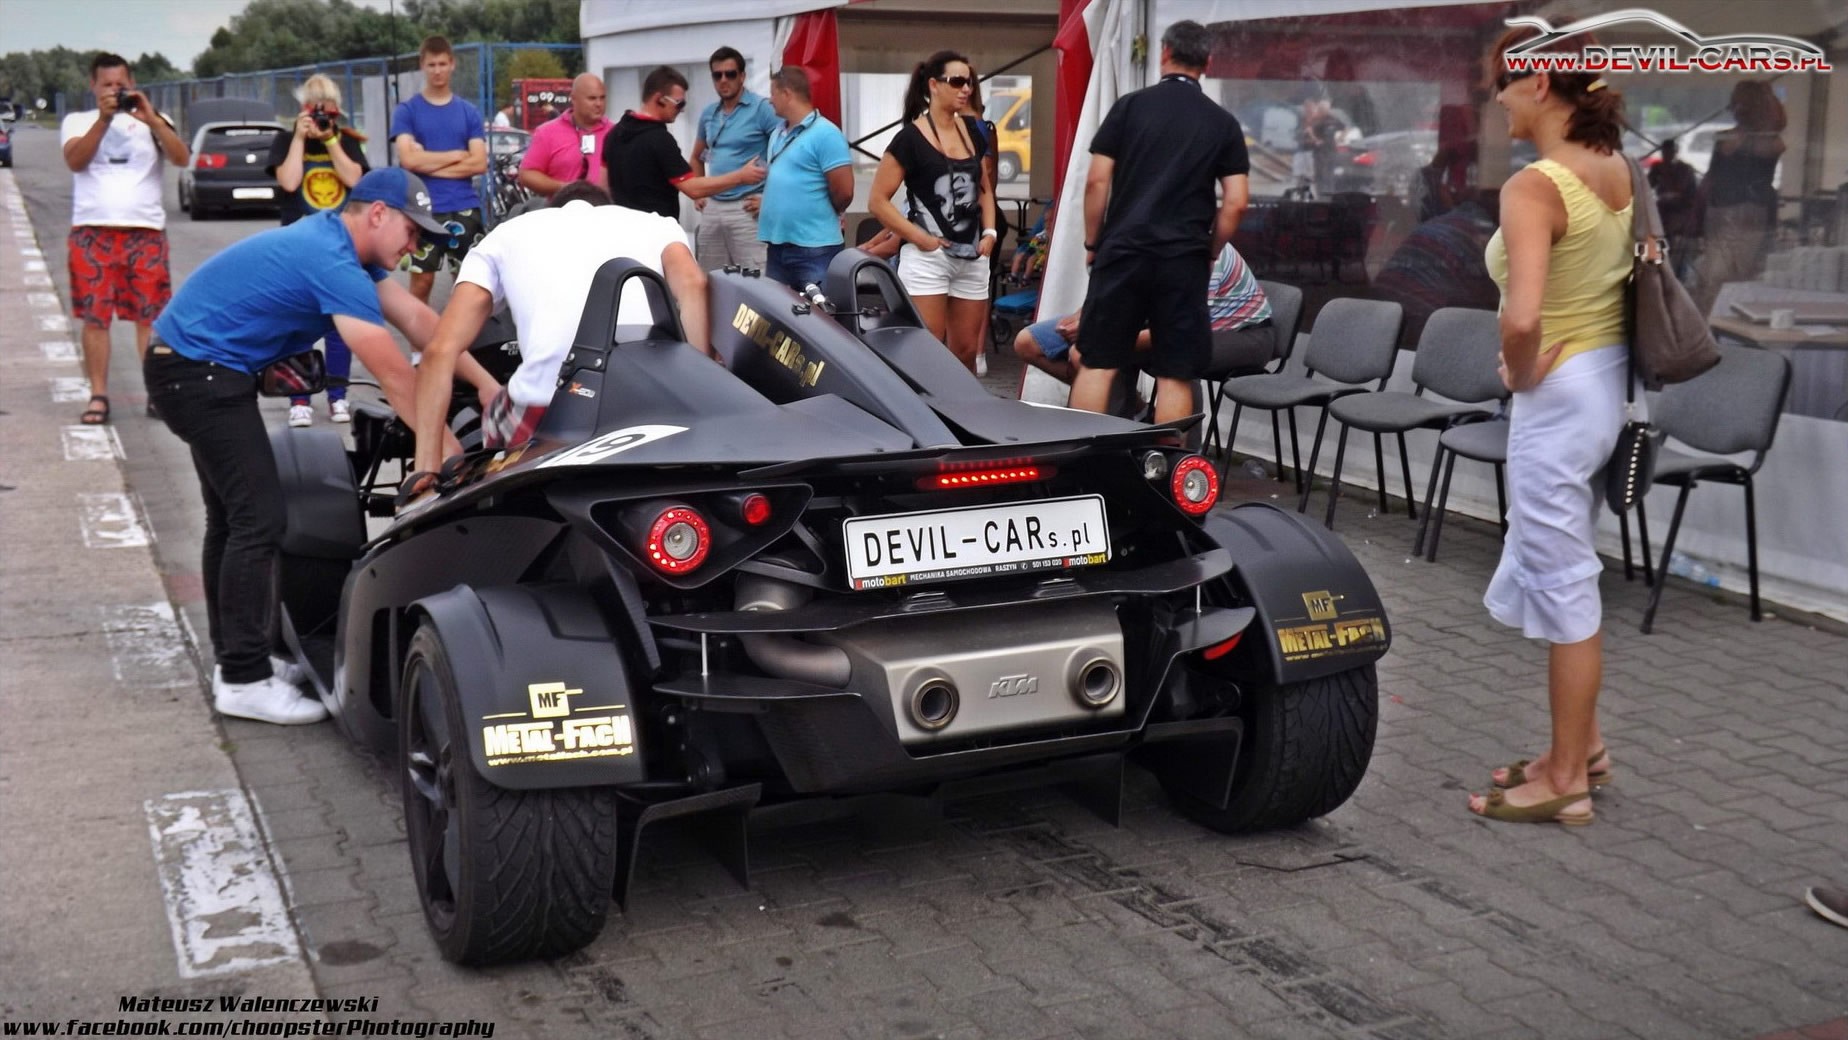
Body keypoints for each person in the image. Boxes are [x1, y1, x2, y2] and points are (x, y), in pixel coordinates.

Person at [144, 170, 476, 726]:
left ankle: (240, 661)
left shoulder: (340, 247)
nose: (415, 247)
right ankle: (244, 679)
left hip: (191, 367)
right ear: (377, 214)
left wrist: (488, 387)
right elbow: (396, 377)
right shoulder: (332, 261)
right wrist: (448, 455)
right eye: (412, 231)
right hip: (198, 375)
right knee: (257, 519)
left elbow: (420, 320)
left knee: (231, 519)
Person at [1468, 31, 1637, 826]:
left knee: (1566, 585)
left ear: (1538, 82)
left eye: (1500, 83)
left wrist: (1518, 368)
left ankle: (1567, 778)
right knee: (1563, 565)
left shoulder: (1536, 186)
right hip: (1603, 382)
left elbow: (1523, 315)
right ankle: (1583, 748)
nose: (1496, 99)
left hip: (1558, 396)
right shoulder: (1615, 168)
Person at [409, 181, 710, 478]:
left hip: (549, 406)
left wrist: (426, 471)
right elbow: (693, 283)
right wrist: (699, 390)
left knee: (497, 412)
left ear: (551, 209)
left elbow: (440, 350)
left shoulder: (504, 235)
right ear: (607, 208)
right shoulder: (656, 224)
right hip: (646, 402)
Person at [1069, 21, 1249, 426]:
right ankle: (1168, 462)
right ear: (1208, 62)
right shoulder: (1222, 123)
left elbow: (1096, 181)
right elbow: (1236, 202)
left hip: (1123, 251)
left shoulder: (1129, 107)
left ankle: (1081, 455)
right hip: (1183, 259)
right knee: (1175, 373)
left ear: (1164, 52)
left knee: (1098, 363)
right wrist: (1210, 250)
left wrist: (1093, 243)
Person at [60, 52, 190, 425]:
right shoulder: (78, 121)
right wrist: (104, 119)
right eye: (107, 85)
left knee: (151, 317)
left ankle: (156, 394)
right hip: (92, 231)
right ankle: (98, 395)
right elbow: (75, 161)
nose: (115, 91)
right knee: (95, 318)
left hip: (144, 232)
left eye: (121, 84)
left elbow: (181, 158)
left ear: (131, 83)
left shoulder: (152, 120)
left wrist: (153, 120)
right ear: (93, 86)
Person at [868, 50, 998, 371]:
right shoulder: (910, 138)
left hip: (972, 254)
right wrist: (919, 238)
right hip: (928, 257)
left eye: (969, 82)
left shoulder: (972, 130)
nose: (966, 89)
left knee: (965, 353)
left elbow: (984, 188)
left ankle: (962, 405)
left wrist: (990, 233)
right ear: (933, 85)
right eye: (957, 81)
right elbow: (878, 201)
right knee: (927, 352)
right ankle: (922, 406)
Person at [1017, 242, 1270, 386]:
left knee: (1177, 355)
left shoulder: (1202, 249)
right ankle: (1127, 418)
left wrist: (1104, 339)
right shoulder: (1139, 238)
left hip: (1240, 335)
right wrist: (1083, 318)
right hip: (1168, 324)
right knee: (1028, 343)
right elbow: (1113, 293)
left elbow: (1183, 327)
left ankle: (1180, 450)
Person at [268, 73, 369, 427]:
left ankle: (338, 395)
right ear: (303, 109)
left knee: (339, 327)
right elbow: (289, 181)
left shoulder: (347, 140)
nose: (321, 116)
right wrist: (299, 137)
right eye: (315, 109)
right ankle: (299, 399)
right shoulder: (285, 140)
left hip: (339, 246)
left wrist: (330, 141)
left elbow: (355, 179)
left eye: (327, 109)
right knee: (298, 324)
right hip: (296, 246)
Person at [391, 35, 488, 306]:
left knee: (468, 286)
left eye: (442, 64)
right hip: (422, 209)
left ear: (452, 64)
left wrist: (427, 161)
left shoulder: (468, 112)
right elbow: (408, 160)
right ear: (422, 65)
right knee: (421, 283)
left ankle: (464, 335)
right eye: (432, 64)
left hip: (464, 208)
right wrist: (455, 156)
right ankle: (418, 337)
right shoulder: (407, 111)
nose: (437, 71)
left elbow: (479, 163)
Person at [603, 66, 765, 221]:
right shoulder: (659, 139)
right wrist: (740, 176)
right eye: (679, 103)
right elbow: (693, 188)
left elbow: (602, 186)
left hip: (623, 228)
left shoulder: (613, 134)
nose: (682, 110)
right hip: (657, 230)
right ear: (659, 99)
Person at [754, 66, 854, 291]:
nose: (770, 101)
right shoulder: (777, 133)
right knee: (778, 311)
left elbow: (844, 191)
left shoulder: (826, 133)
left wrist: (828, 212)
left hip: (815, 249)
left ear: (787, 94)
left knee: (819, 311)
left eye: (773, 93)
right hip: (778, 247)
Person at [1692, 81, 1785, 316]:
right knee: (1740, 273)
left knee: (1718, 276)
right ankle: (1725, 318)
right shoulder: (1770, 141)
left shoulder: (1734, 140)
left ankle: (1713, 321)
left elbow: (1711, 178)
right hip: (1751, 210)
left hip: (1731, 211)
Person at [690, 47, 781, 270]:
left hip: (747, 205)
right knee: (711, 278)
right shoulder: (709, 113)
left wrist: (770, 199)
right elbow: (696, 156)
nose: (723, 80)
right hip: (713, 206)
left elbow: (786, 154)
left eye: (730, 74)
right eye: (717, 75)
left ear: (742, 76)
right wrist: (698, 193)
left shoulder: (762, 109)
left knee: (754, 278)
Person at [518, 73, 613, 199]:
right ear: (573, 99)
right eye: (592, 98)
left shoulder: (616, 132)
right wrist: (564, 188)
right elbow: (527, 174)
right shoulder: (547, 132)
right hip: (563, 207)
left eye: (602, 98)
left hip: (607, 208)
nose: (598, 104)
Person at [1647, 137, 1700, 281]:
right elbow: (1648, 185)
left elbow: (1689, 192)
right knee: (1661, 239)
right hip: (1663, 211)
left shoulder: (1684, 169)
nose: (1667, 156)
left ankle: (1677, 274)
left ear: (1675, 152)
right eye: (1665, 152)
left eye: (1670, 152)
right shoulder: (1658, 168)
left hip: (1681, 211)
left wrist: (1675, 195)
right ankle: (1662, 270)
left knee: (1679, 247)